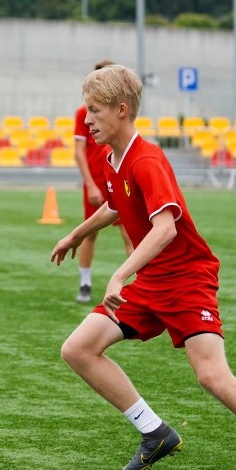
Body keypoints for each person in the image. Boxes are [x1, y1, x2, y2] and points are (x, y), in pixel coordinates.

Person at [50, 65, 236, 470]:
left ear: (121, 110)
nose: (87, 120)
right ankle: (155, 433)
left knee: (212, 376)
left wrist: (119, 273)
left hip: (187, 278)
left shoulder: (148, 160)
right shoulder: (110, 157)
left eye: (95, 111)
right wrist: (75, 234)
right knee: (79, 349)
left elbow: (165, 228)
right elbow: (118, 205)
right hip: (154, 280)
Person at [73, 59, 134, 303]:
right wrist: (90, 184)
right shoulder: (83, 114)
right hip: (97, 182)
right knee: (89, 233)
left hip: (119, 180)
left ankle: (138, 285)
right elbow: (79, 151)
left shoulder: (121, 111)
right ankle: (85, 284)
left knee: (130, 234)